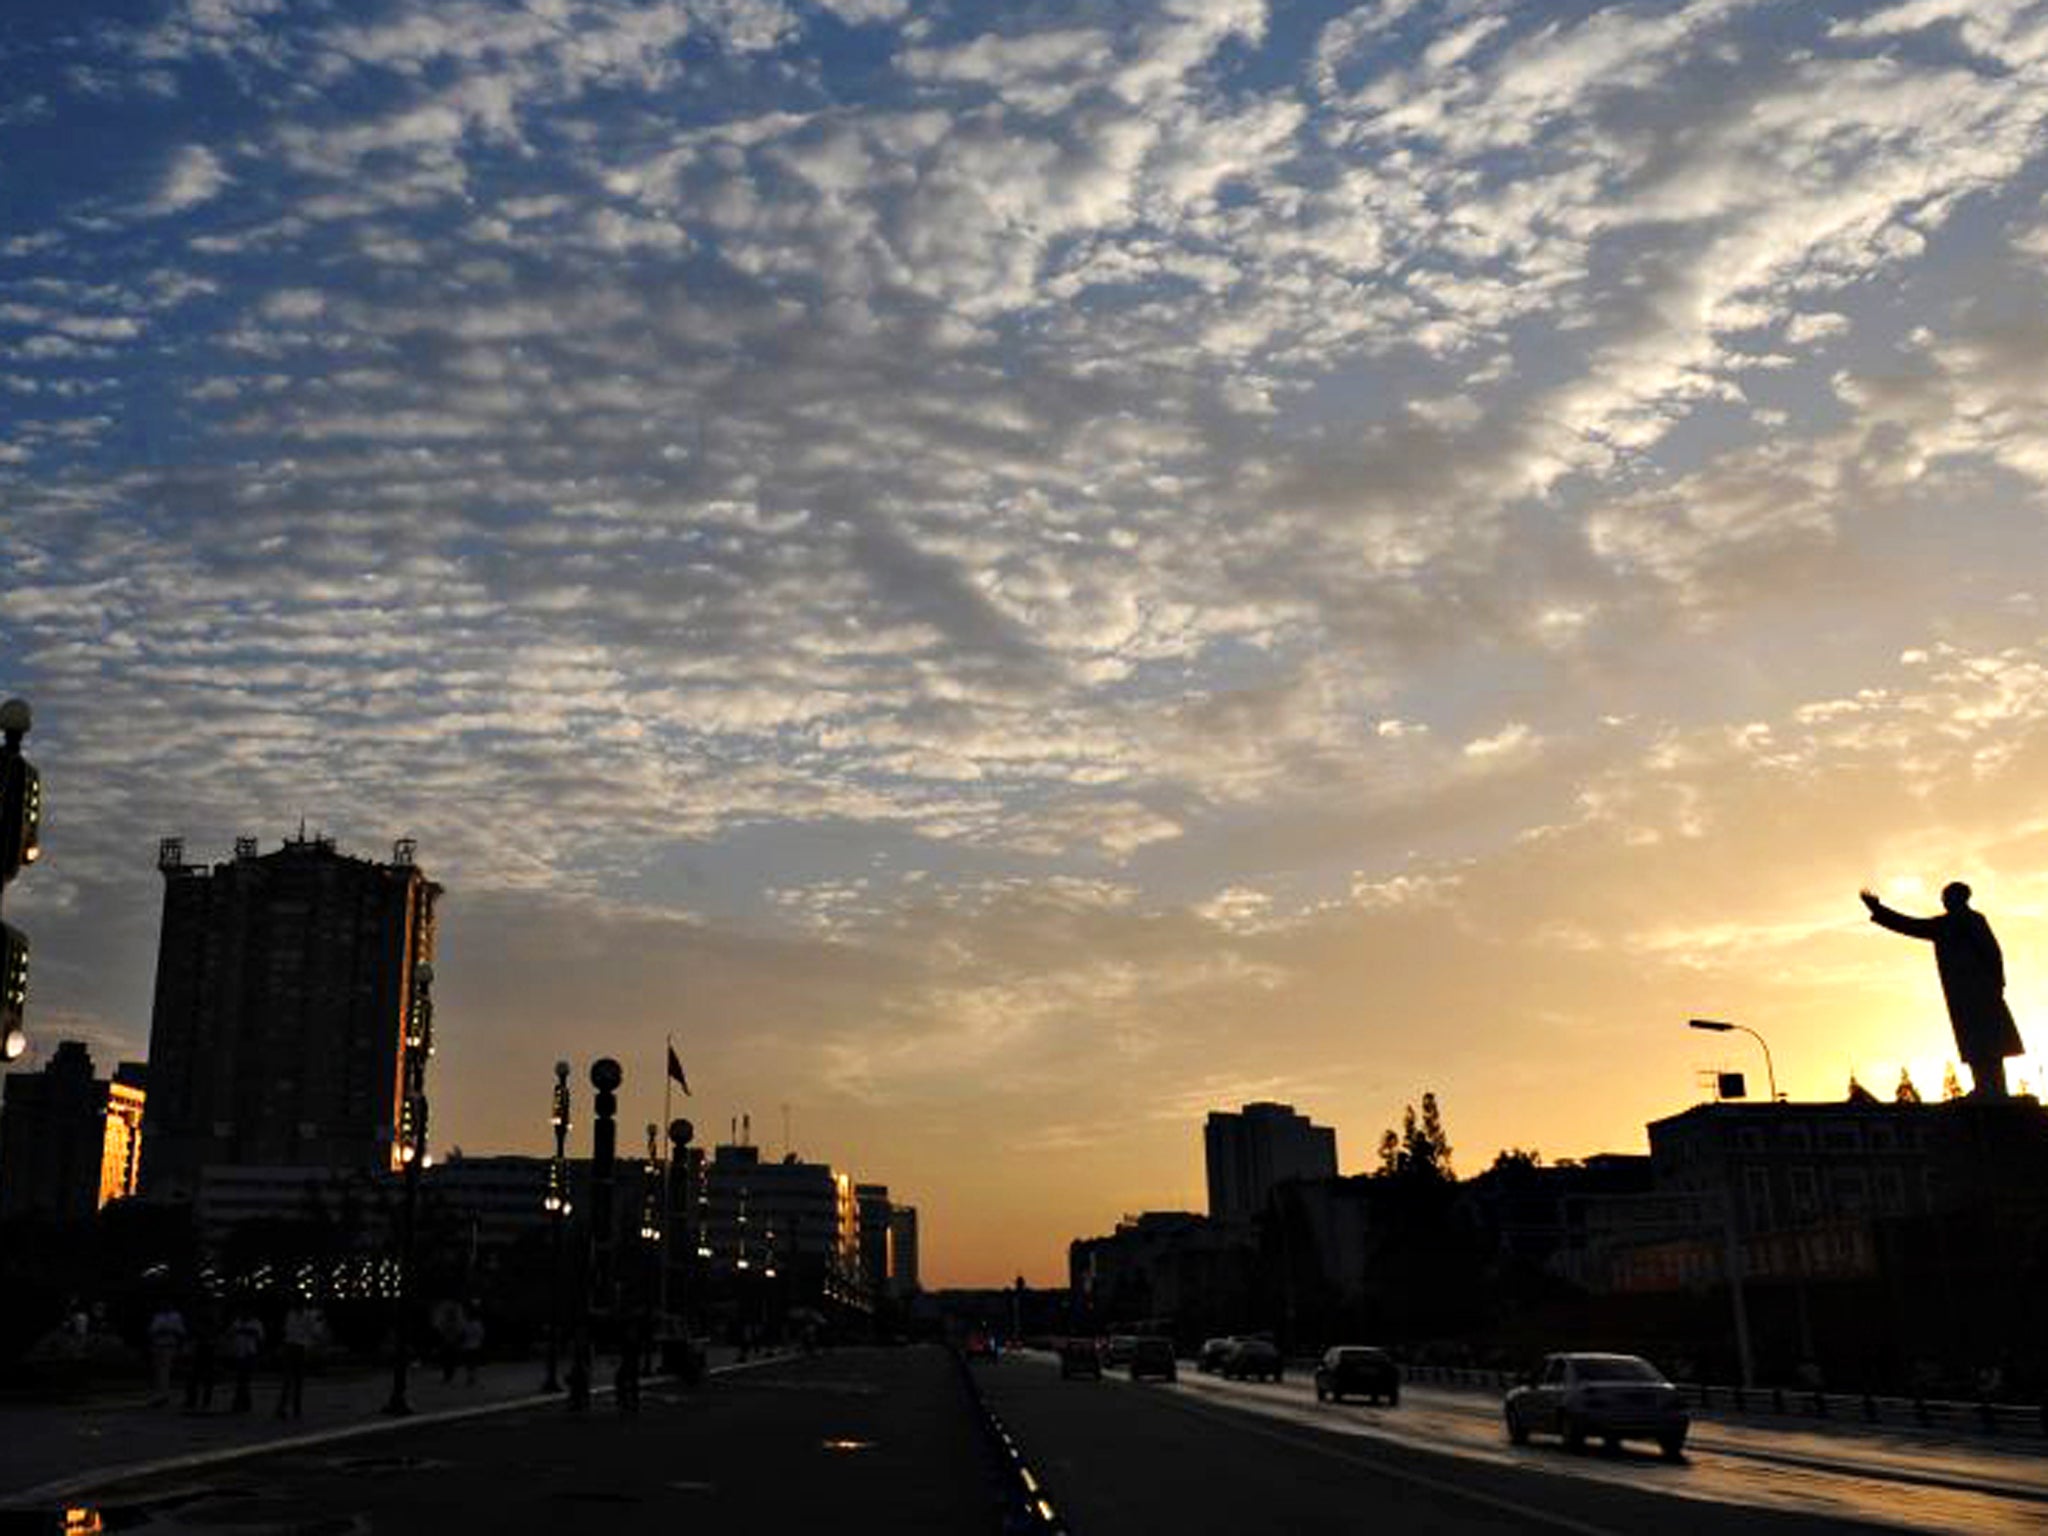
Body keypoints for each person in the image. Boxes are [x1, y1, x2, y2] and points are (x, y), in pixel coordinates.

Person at [1861, 884, 2023, 1098]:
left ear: (1959, 898)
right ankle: (1987, 1087)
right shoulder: (1948, 923)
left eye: (1946, 897)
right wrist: (1879, 910)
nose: (1943, 901)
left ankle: (1993, 1089)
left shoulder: (1967, 921)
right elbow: (1912, 926)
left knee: (1987, 1041)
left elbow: (1991, 951)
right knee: (1975, 1041)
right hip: (1965, 992)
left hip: (1980, 990)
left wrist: (1996, 983)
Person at [276, 1301, 322, 1419]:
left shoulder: (306, 1315)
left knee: (295, 1381)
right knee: (291, 1380)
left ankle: (292, 1407)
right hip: (292, 1346)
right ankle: (287, 1407)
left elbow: (313, 1332)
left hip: (299, 1347)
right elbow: (314, 1332)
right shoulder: (295, 1315)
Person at [146, 1302, 187, 1407]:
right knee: (157, 1371)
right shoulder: (158, 1316)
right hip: (157, 1344)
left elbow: (181, 1331)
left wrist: (171, 1331)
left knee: (165, 1370)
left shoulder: (175, 1316)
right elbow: (151, 1330)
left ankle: (164, 1395)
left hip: (169, 1345)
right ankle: (158, 1394)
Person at [226, 1308, 264, 1413]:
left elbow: (259, 1337)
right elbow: (230, 1333)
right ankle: (242, 1403)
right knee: (241, 1380)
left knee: (244, 1380)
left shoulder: (256, 1323)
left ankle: (241, 1403)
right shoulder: (237, 1322)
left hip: (249, 1353)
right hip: (239, 1353)